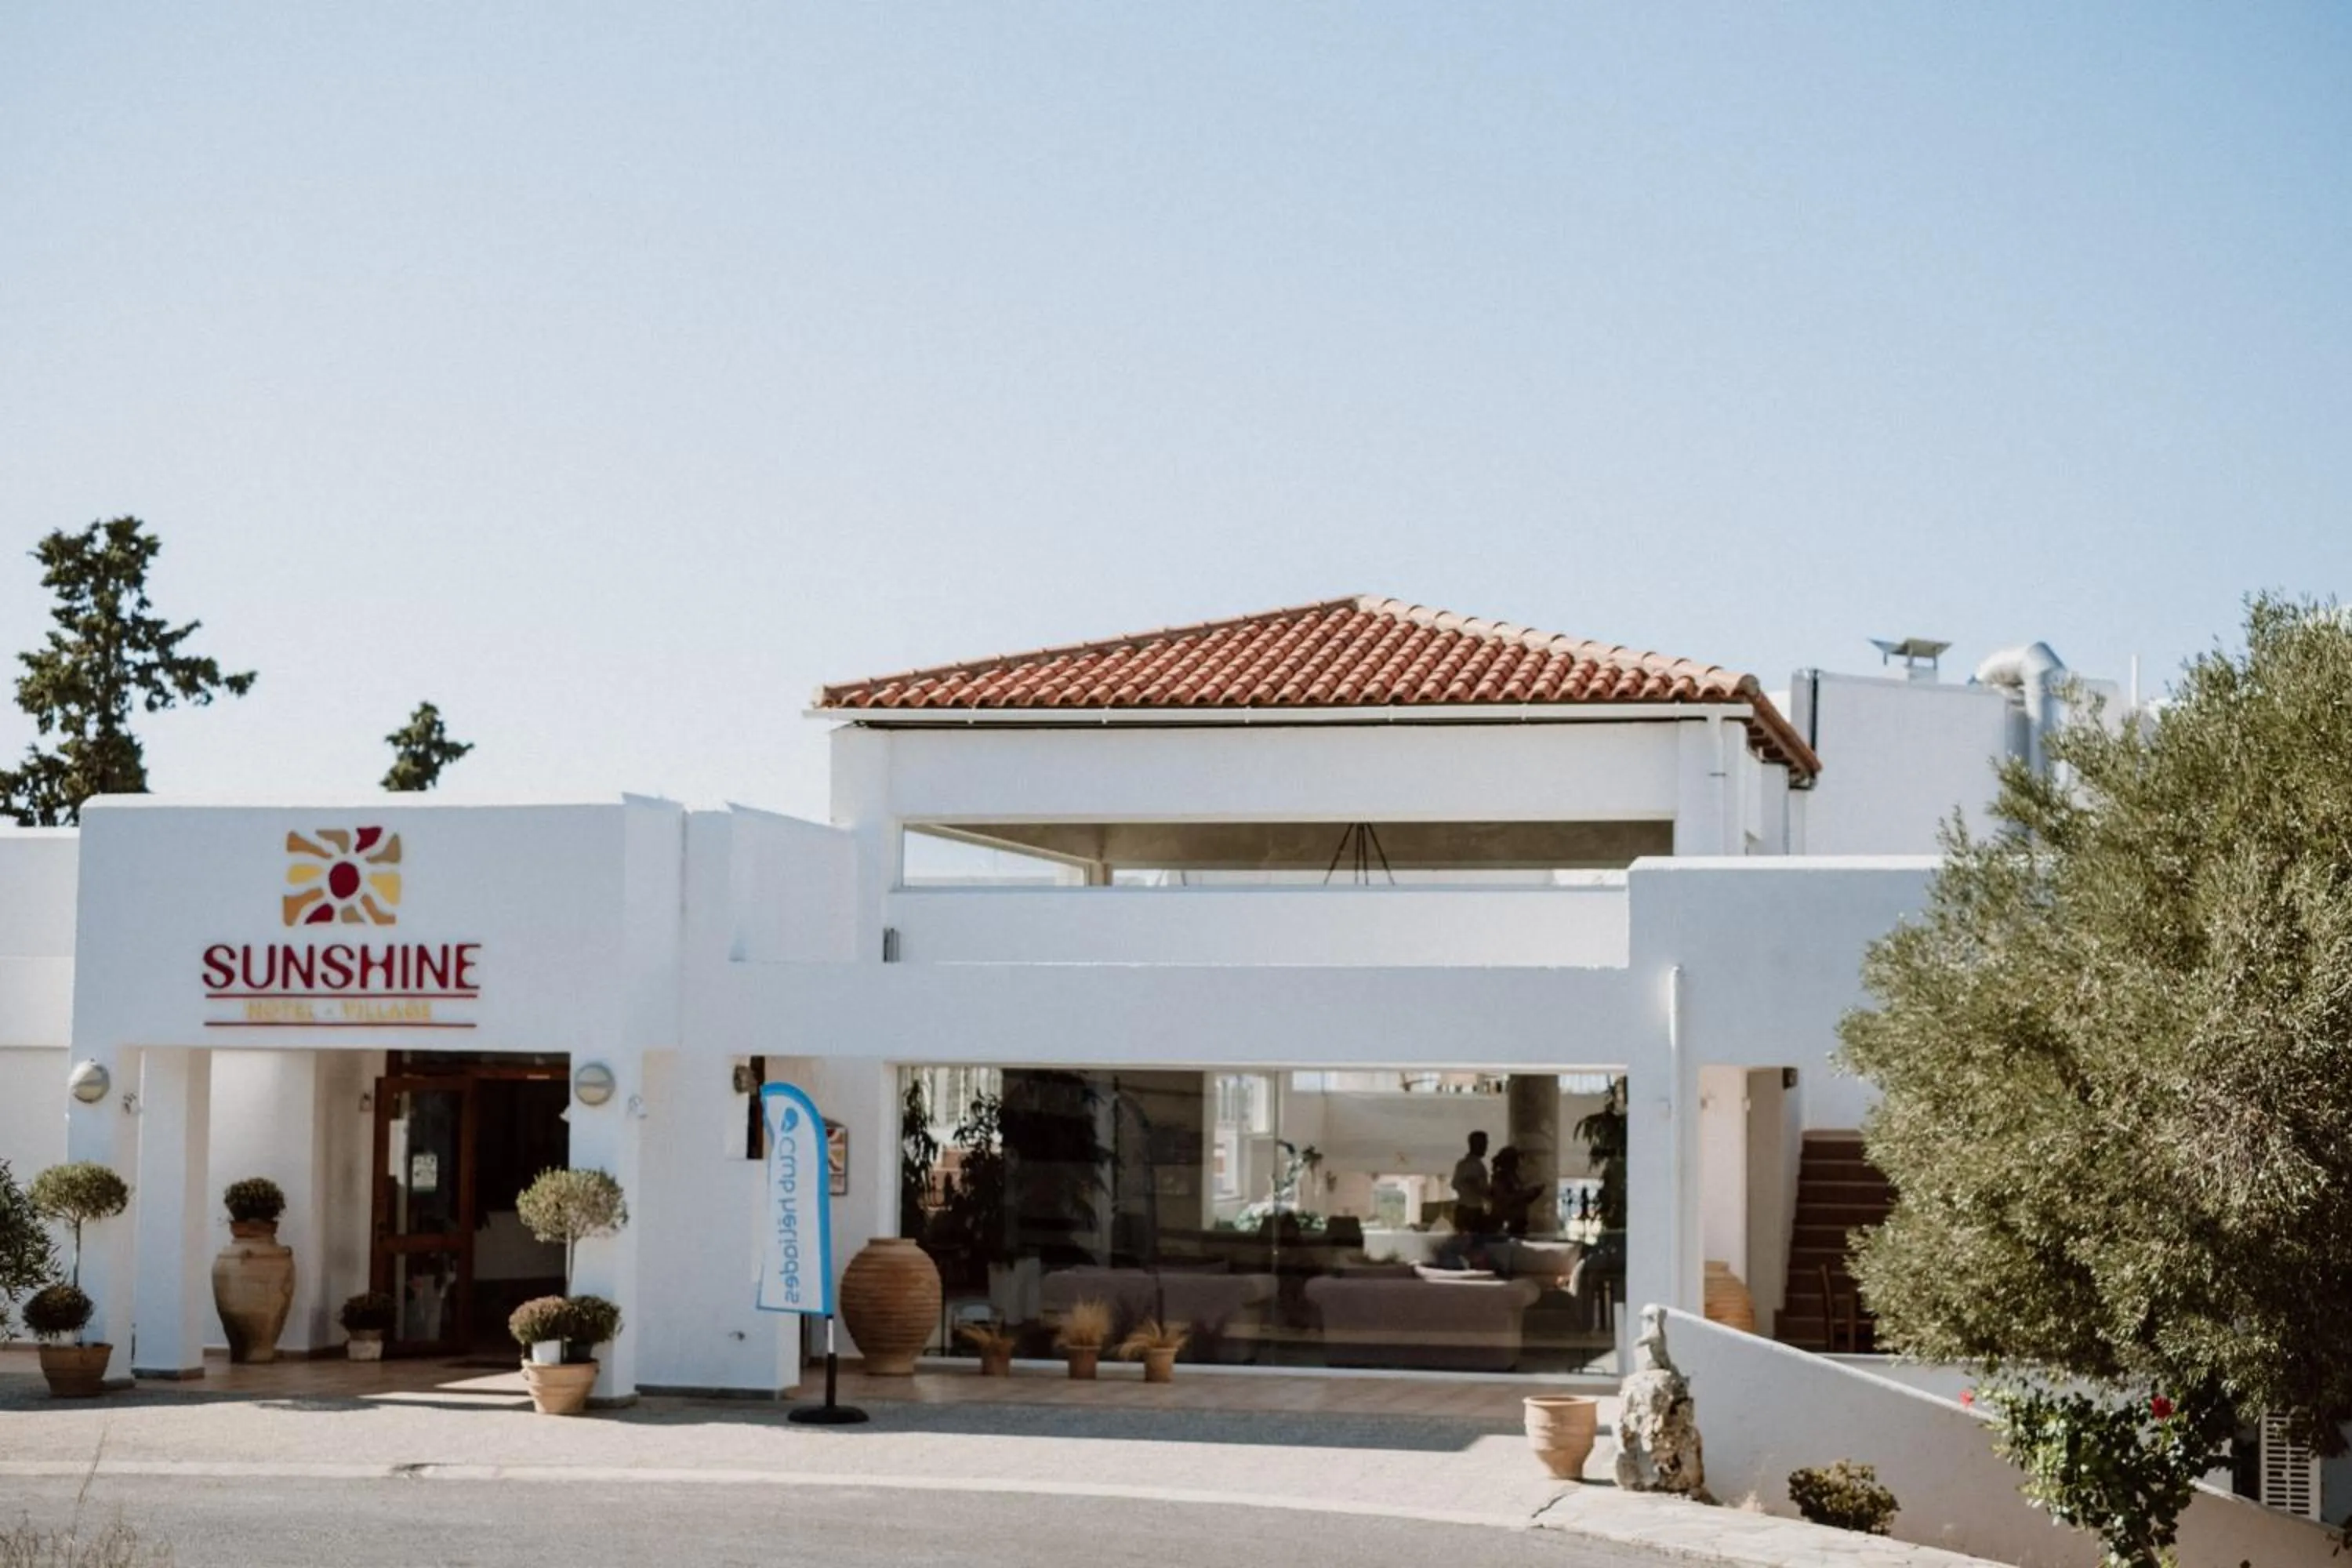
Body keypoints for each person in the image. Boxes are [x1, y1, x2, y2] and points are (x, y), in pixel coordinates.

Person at [1488, 1145, 1545, 1238]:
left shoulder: (1514, 1177)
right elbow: (1505, 1199)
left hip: (1517, 1222)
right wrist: (1525, 1194)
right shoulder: (1500, 1178)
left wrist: (1532, 1194)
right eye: (1515, 1159)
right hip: (1506, 1221)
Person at [1450, 1131, 1492, 1236]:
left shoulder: (1463, 1164)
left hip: (1465, 1208)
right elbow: (1475, 1186)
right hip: (1471, 1210)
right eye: (1482, 1144)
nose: (1485, 1148)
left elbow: (1455, 1184)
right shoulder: (1473, 1165)